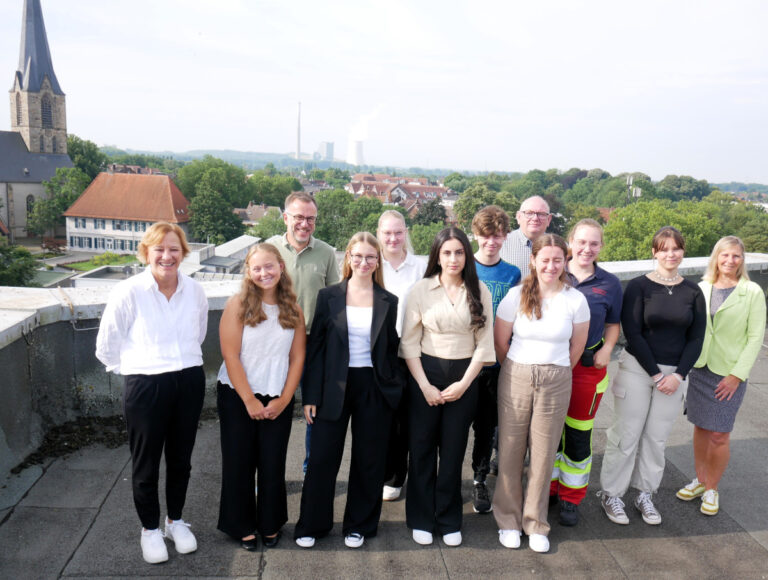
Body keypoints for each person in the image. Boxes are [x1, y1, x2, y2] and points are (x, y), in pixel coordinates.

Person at [95, 222, 208, 564]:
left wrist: (177, 367)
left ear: (183, 254)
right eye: (159, 249)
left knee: (181, 460)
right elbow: (106, 346)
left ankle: (174, 521)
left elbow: (198, 335)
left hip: (188, 379)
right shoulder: (129, 292)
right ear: (146, 252)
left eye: (174, 249)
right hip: (145, 384)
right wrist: (139, 372)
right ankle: (150, 530)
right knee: (146, 464)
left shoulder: (196, 291)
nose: (167, 256)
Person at [294, 232, 404, 549]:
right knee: (322, 458)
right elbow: (315, 350)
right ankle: (312, 525)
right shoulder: (329, 297)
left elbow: (391, 349)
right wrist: (310, 396)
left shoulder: (388, 301)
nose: (364, 262)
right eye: (358, 255)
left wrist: (391, 389)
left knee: (368, 461)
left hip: (373, 388)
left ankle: (359, 526)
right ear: (348, 258)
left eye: (370, 257)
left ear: (377, 261)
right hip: (332, 387)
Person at [598, 226, 706, 526]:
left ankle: (645, 493)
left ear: (682, 251)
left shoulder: (693, 291)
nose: (670, 254)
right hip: (637, 370)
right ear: (654, 252)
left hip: (674, 377)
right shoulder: (638, 287)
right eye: (664, 248)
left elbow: (697, 338)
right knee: (626, 435)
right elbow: (632, 332)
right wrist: (657, 375)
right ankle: (612, 495)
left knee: (656, 439)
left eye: (676, 248)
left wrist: (678, 375)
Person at [492, 234, 590, 553]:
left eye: (557, 260)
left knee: (545, 452)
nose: (551, 266)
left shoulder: (575, 300)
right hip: (516, 373)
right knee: (510, 449)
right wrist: (521, 369)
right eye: (544, 260)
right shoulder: (515, 296)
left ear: (566, 261)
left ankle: (535, 523)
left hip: (557, 376)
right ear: (533, 260)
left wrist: (554, 369)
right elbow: (500, 342)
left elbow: (576, 347)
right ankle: (508, 520)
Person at [400, 226, 495, 547]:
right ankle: (421, 518)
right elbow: (410, 343)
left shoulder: (479, 290)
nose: (453, 259)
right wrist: (425, 386)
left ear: (466, 255)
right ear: (437, 256)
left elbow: (484, 346)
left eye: (459, 252)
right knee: (422, 450)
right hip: (425, 375)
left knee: (453, 452)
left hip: (465, 377)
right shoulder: (421, 290)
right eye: (446, 253)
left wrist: (464, 385)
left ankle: (449, 518)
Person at [217, 243, 305, 551]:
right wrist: (250, 401)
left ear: (281, 266)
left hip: (277, 394)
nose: (264, 273)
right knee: (239, 462)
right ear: (249, 272)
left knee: (272, 463)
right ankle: (240, 525)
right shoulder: (238, 305)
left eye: (270, 266)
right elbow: (230, 355)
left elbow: (297, 358)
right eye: (257, 268)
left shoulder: (293, 309)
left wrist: (284, 400)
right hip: (237, 394)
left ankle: (270, 523)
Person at [676, 236, 766, 515]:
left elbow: (755, 338)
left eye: (736, 256)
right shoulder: (701, 288)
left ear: (742, 260)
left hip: (729, 373)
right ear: (715, 257)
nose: (730, 261)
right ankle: (700, 481)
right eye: (725, 255)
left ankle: (712, 488)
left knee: (720, 434)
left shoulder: (752, 292)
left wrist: (737, 376)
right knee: (701, 427)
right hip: (700, 368)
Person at [549, 219, 622, 526]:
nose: (586, 249)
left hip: (587, 370)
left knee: (578, 435)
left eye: (594, 243)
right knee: (549, 431)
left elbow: (613, 324)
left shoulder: (610, 283)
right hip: (551, 363)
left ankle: (571, 497)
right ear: (570, 242)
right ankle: (548, 487)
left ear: (601, 247)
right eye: (581, 242)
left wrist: (607, 349)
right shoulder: (553, 272)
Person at [267, 191, 340, 474]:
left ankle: (312, 473)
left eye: (310, 218)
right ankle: (271, 473)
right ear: (286, 218)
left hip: (314, 344)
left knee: (314, 413)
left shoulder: (326, 253)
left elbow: (336, 298)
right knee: (275, 409)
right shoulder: (269, 249)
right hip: (277, 342)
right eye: (298, 217)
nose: (304, 224)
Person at [470, 206, 521, 514]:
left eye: (498, 236)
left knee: (487, 426)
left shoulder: (512, 273)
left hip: (497, 362)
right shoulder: (464, 267)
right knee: (454, 425)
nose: (491, 242)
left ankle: (478, 479)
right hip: (465, 362)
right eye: (486, 236)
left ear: (505, 237)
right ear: (476, 235)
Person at [377, 210, 427, 502]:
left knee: (408, 419)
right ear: (379, 233)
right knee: (383, 419)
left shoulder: (420, 267)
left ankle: (400, 476)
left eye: (398, 232)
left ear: (406, 232)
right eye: (387, 233)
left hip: (412, 352)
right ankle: (385, 473)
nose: (393, 238)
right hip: (381, 353)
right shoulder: (372, 264)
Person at [499, 195, 552, 279]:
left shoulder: (560, 247)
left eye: (541, 214)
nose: (535, 218)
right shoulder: (501, 243)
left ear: (549, 219)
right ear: (518, 217)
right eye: (529, 213)